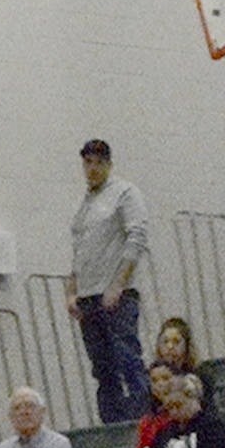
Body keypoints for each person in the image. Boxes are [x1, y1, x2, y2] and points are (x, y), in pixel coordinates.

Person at [68, 138, 151, 423]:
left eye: (98, 162)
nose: (92, 168)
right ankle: (112, 425)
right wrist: (72, 291)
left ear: (109, 165)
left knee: (128, 360)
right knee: (102, 369)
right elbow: (79, 251)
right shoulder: (84, 204)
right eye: (87, 162)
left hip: (118, 295)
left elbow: (137, 237)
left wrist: (118, 284)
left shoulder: (125, 193)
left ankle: (143, 423)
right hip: (88, 297)